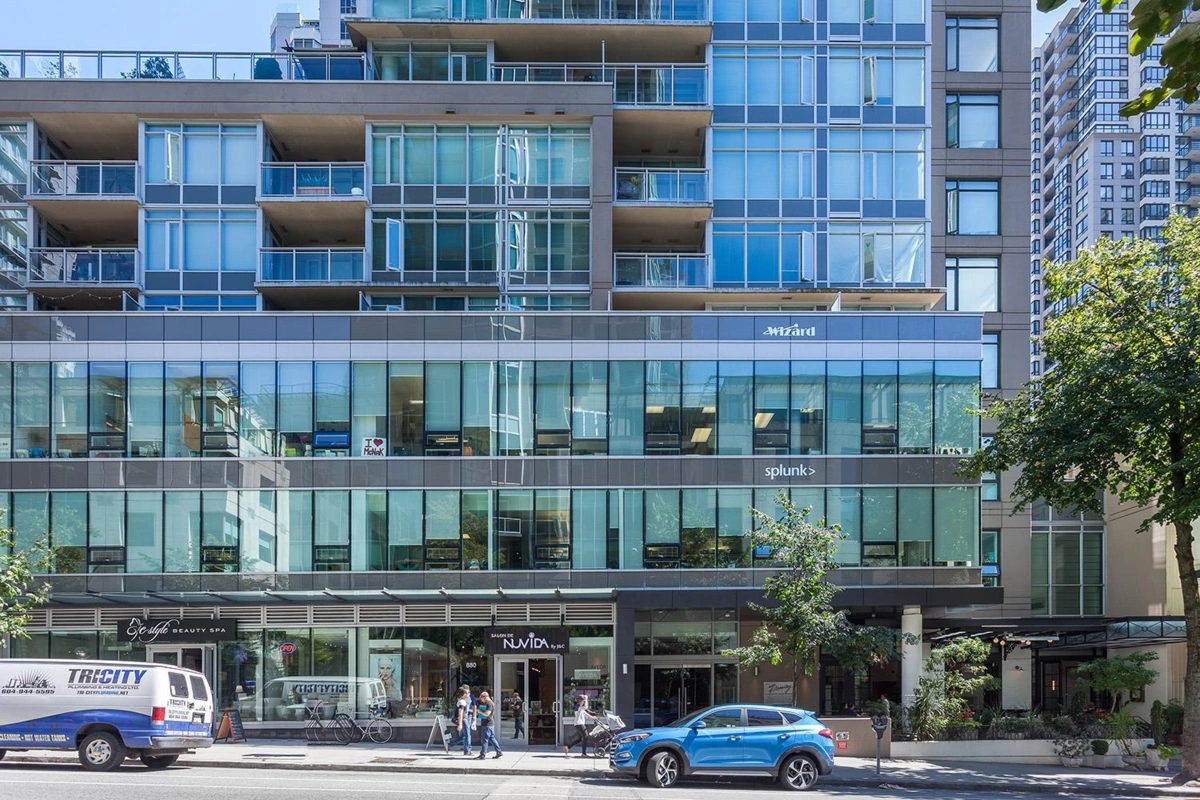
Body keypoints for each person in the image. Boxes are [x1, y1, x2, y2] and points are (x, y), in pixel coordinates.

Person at [563, 694, 595, 758]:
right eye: (583, 700)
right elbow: (585, 707)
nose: (584, 702)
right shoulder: (578, 706)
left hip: (579, 724)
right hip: (579, 724)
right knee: (585, 737)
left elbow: (586, 714)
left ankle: (567, 747)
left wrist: (593, 717)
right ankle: (583, 753)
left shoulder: (580, 707)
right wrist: (586, 699)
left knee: (580, 739)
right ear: (581, 701)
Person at [475, 691, 504, 759]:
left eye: (481, 698)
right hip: (489, 724)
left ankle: (482, 754)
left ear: (484, 697)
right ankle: (499, 752)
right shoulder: (488, 703)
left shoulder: (489, 704)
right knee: (492, 738)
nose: (480, 699)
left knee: (485, 740)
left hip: (487, 724)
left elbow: (487, 714)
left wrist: (479, 711)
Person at [451, 686, 472, 755]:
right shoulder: (462, 702)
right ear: (463, 694)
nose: (468, 694)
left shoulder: (461, 700)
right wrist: (460, 724)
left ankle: (467, 750)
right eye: (466, 693)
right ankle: (467, 751)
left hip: (463, 719)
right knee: (467, 735)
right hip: (464, 720)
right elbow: (460, 712)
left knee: (465, 735)